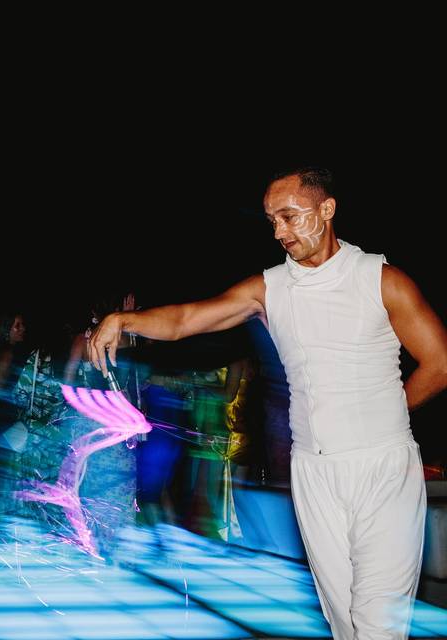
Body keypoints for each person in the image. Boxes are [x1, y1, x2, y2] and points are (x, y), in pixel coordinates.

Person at [89, 167, 447, 640]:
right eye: (271, 221)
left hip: (382, 465)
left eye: (289, 217)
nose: (279, 232)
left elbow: (439, 364)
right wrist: (123, 320)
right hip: (314, 472)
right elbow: (187, 319)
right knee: (344, 620)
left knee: (379, 620)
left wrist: (385, 413)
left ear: (327, 210)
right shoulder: (270, 288)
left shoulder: (381, 280)